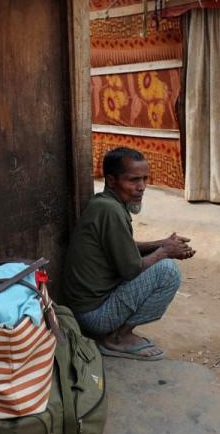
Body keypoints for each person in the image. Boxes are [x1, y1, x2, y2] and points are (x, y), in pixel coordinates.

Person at [60, 148, 195, 361]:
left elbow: (124, 247)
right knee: (167, 271)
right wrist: (164, 252)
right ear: (111, 180)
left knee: (162, 264)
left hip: (88, 308)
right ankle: (117, 338)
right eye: (133, 180)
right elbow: (131, 269)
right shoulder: (109, 210)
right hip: (93, 316)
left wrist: (162, 244)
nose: (141, 187)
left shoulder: (106, 204)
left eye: (144, 179)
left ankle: (117, 334)